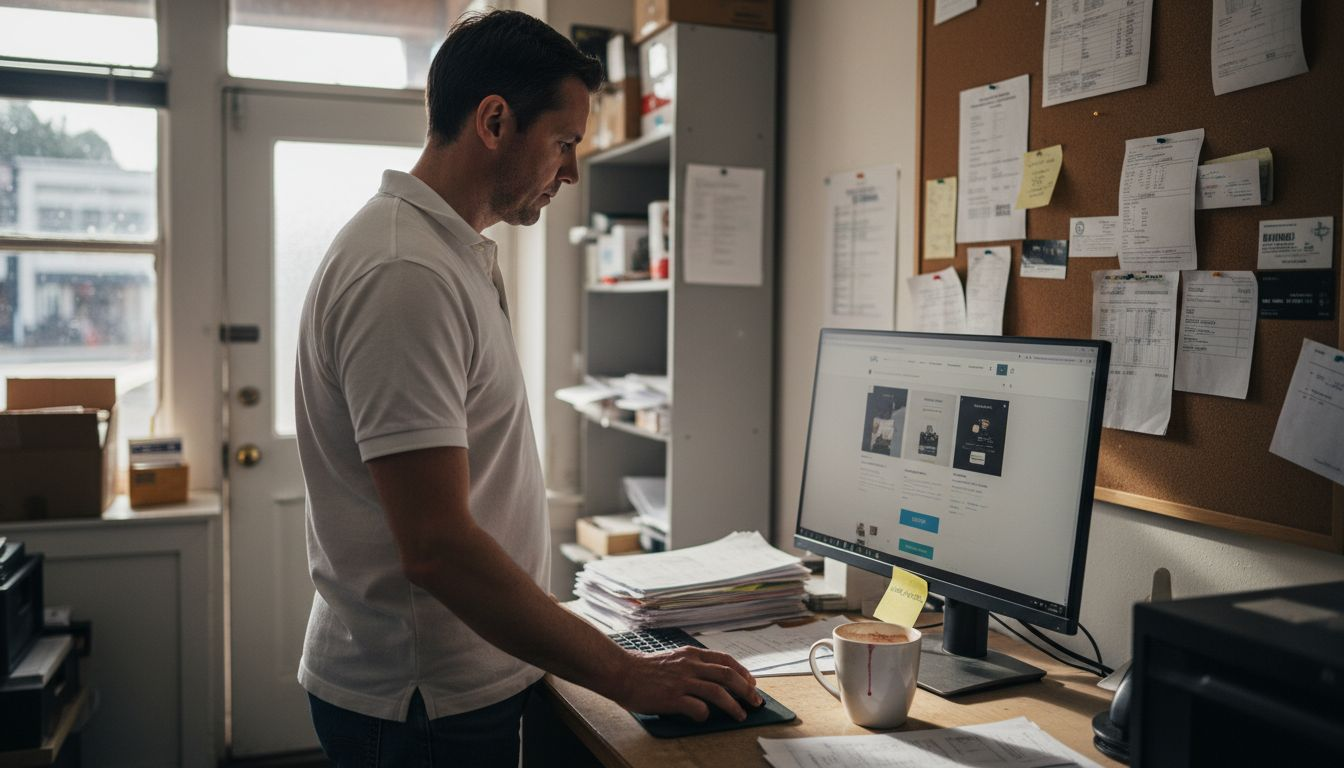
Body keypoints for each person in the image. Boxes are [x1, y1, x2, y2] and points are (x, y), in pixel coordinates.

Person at [293, 10, 759, 766]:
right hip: (422, 701)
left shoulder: (447, 254)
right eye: (565, 143)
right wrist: (626, 675)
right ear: (495, 121)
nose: (572, 172)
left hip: (453, 682)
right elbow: (437, 547)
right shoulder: (404, 275)